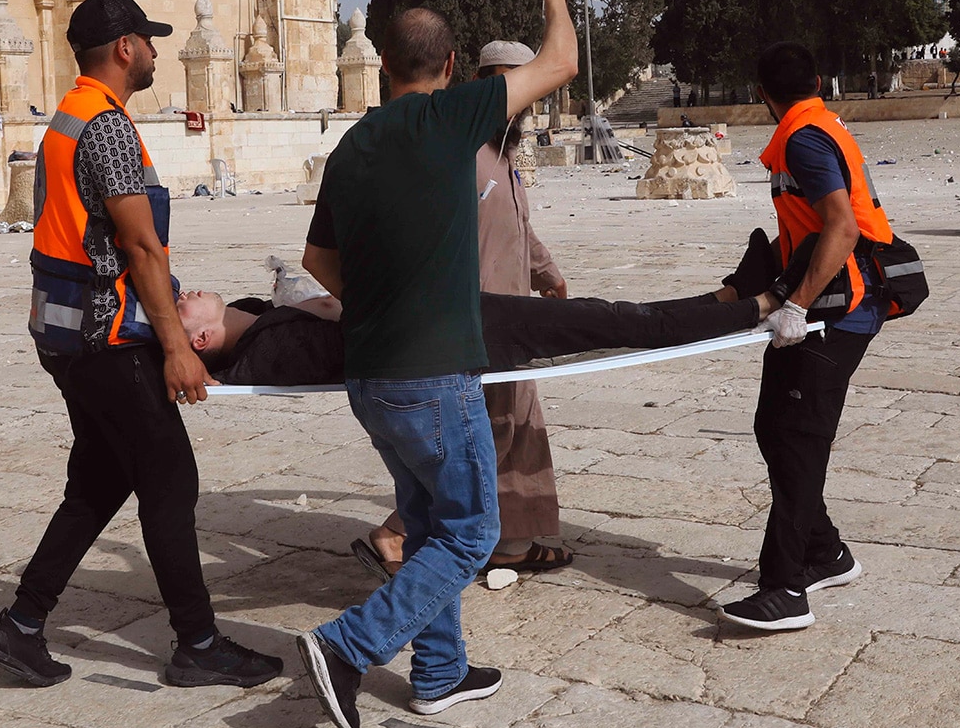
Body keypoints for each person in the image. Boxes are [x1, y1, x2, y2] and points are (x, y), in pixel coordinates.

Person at [293, 0, 578, 728]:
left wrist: (379, 301)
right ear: (452, 65)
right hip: (434, 374)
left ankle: (441, 670)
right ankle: (348, 648)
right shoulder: (455, 118)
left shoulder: (354, 146)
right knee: (473, 532)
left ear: (384, 66)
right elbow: (560, 62)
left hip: (371, 377)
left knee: (426, 523)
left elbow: (318, 259)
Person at [0, 0, 282, 690]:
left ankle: (19, 626)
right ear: (123, 49)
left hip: (65, 335)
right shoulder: (105, 127)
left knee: (103, 479)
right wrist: (176, 348)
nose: (156, 52)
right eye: (148, 40)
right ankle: (197, 645)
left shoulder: (68, 116)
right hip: (106, 340)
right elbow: (141, 247)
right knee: (170, 478)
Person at [361, 40, 572, 580]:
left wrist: (546, 274)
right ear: (477, 82)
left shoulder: (501, 153)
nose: (514, 99)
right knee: (484, 434)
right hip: (470, 323)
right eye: (502, 83)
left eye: (519, 85)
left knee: (515, 424)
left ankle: (508, 544)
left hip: (509, 314)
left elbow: (518, 228)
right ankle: (397, 533)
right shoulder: (460, 151)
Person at [715, 41, 895, 633]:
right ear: (818, 80)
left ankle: (785, 589)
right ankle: (826, 552)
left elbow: (842, 227)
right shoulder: (818, 124)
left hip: (835, 311)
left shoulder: (804, 138)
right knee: (775, 424)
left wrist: (794, 305)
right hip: (826, 303)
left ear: (761, 94)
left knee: (797, 440)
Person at [175, 283, 778, 390]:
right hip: (457, 335)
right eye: (181, 309)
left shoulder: (257, 317)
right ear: (201, 340)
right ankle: (758, 303)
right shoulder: (266, 350)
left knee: (615, 315)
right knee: (619, 322)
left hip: (450, 314)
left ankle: (725, 299)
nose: (182, 295)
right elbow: (355, 335)